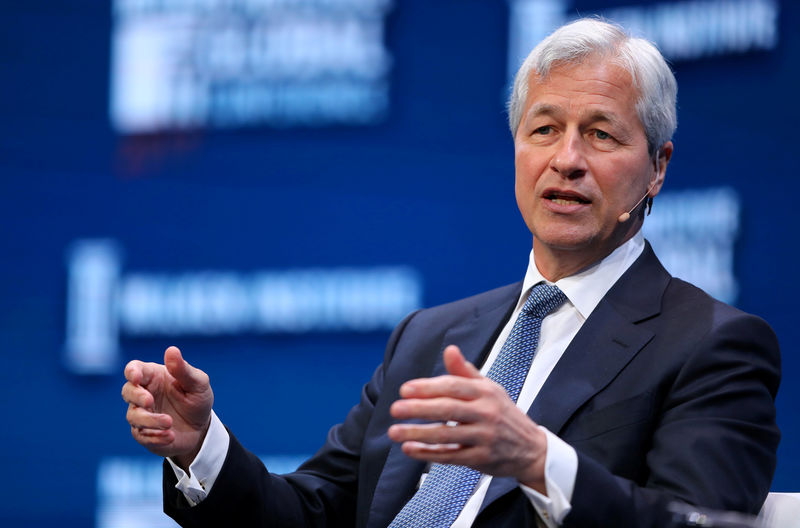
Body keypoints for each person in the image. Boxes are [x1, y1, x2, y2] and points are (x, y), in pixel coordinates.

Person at [121, 18, 780, 528]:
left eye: (602, 135)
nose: (568, 159)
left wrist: (538, 460)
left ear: (658, 167)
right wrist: (200, 446)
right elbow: (313, 514)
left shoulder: (711, 345)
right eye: (544, 129)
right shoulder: (427, 339)